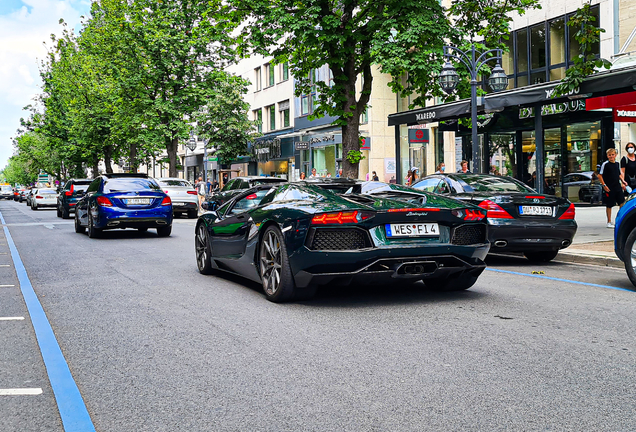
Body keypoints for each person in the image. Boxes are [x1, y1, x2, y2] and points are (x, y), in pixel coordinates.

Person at [599, 148, 627, 228]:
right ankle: (609, 221)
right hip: (609, 187)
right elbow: (600, 176)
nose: (611, 156)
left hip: (617, 186)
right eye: (609, 155)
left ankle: (619, 219)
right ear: (607, 156)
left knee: (622, 203)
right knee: (609, 205)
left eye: (612, 155)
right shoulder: (605, 164)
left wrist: (623, 181)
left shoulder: (617, 164)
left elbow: (618, 174)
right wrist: (604, 185)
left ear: (615, 155)